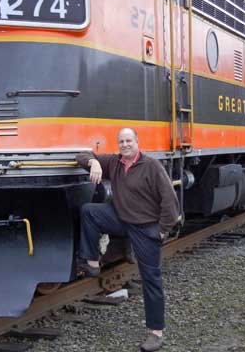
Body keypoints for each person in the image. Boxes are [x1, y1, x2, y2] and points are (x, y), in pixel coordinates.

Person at [76, 128, 180, 352]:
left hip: (146, 228)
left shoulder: (151, 166)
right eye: (121, 141)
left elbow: (170, 201)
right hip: (123, 221)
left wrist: (162, 230)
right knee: (89, 211)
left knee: (151, 278)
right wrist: (93, 162)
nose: (125, 145)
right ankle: (91, 261)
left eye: (129, 141)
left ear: (137, 142)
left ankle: (156, 333)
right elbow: (82, 154)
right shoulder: (114, 163)